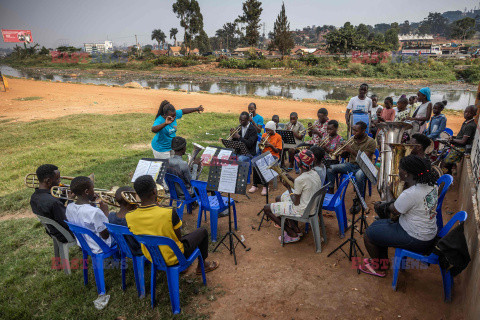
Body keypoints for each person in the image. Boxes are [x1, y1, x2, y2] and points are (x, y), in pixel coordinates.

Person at [360, 155, 438, 277]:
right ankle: (383, 262)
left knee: (369, 235)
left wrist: (387, 197)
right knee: (377, 225)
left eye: (400, 169)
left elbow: (394, 210)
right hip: (426, 233)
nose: (398, 171)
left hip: (416, 239)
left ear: (406, 173)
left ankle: (379, 268)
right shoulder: (432, 185)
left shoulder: (411, 193)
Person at [126, 175, 219, 273]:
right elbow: (178, 238)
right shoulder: (169, 212)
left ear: (137, 194)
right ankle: (202, 266)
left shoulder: (129, 216)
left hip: (152, 257)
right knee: (202, 231)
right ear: (154, 191)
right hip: (175, 257)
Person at [262, 150, 322, 244]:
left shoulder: (300, 179)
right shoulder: (315, 173)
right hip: (312, 207)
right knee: (279, 198)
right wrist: (292, 179)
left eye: (297, 161)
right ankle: (296, 229)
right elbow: (304, 185)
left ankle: (291, 234)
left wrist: (289, 188)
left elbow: (295, 202)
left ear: (300, 163)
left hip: (302, 209)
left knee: (266, 208)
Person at [326, 121, 376, 197]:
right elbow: (345, 155)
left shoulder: (371, 141)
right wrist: (343, 151)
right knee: (331, 168)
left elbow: (364, 158)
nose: (353, 133)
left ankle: (359, 198)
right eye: (353, 130)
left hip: (364, 167)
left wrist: (350, 150)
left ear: (363, 131)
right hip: (351, 165)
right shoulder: (352, 139)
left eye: (356, 131)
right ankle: (331, 192)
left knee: (359, 176)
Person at [65, 176, 113, 254]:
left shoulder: (69, 207)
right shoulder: (95, 212)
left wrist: (93, 204)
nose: (94, 191)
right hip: (100, 247)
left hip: (84, 244)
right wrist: (106, 213)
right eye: (93, 189)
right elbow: (105, 236)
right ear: (87, 192)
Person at [30, 164, 73, 243]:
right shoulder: (54, 202)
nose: (60, 181)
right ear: (48, 181)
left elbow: (54, 211)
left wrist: (63, 195)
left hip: (54, 232)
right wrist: (70, 200)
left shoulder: (34, 197)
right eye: (57, 179)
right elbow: (69, 221)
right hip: (66, 234)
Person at [249, 121, 283, 195]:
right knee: (255, 164)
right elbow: (261, 148)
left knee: (264, 165)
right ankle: (255, 185)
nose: (267, 132)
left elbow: (278, 151)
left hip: (274, 156)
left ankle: (265, 186)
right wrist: (262, 143)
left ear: (273, 129)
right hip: (264, 155)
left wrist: (270, 145)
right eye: (266, 130)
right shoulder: (264, 135)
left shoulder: (278, 137)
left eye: (269, 130)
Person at [107, 186, 142, 256]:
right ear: (130, 201)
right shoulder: (136, 218)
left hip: (123, 249)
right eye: (134, 198)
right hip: (139, 250)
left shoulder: (111, 216)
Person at [443, 105, 477, 174]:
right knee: (446, 160)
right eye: (466, 111)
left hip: (461, 147)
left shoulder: (470, 125)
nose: (467, 114)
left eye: (470, 113)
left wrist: (453, 140)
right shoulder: (466, 122)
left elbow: (463, 141)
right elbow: (460, 137)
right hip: (458, 145)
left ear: (474, 114)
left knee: (446, 162)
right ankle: (452, 167)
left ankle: (448, 176)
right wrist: (453, 137)